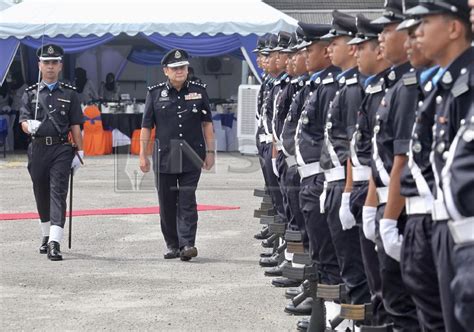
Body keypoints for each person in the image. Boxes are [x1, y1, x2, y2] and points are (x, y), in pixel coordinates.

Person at [406, 0, 473, 330]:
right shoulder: (445, 85)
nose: (416, 33)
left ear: (454, 28)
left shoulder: (466, 82)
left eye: (425, 22)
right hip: (448, 230)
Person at [139, 49, 215, 262]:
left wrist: (210, 152)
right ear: (166, 71)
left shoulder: (199, 91)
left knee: (187, 199)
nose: (180, 71)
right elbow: (146, 126)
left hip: (192, 154)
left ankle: (188, 243)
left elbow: (207, 124)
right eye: (175, 68)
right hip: (165, 156)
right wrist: (142, 155)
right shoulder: (154, 94)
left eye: (183, 67)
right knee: (167, 201)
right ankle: (173, 244)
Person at [19, 44, 84, 261]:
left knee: (58, 192)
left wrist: (80, 151)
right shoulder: (30, 94)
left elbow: (76, 125)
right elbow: (23, 122)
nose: (50, 66)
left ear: (60, 66)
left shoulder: (70, 93)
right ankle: (46, 235)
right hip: (37, 148)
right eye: (46, 62)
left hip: (61, 149)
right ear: (39, 65)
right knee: (40, 191)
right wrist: (30, 126)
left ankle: (55, 242)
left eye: (54, 62)